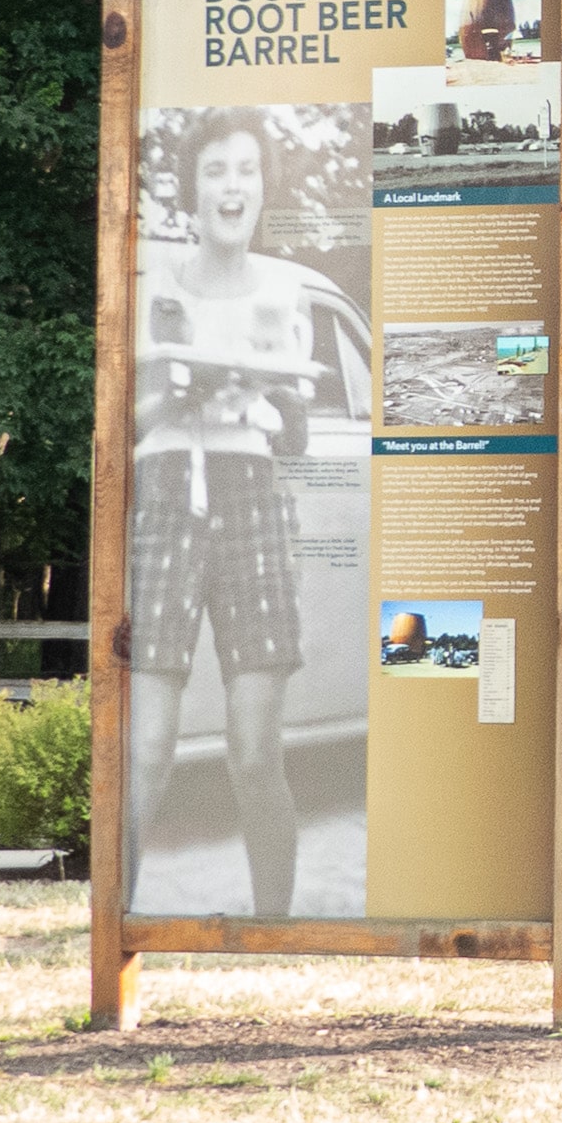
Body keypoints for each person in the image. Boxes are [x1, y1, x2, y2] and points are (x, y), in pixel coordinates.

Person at [128, 109, 318, 916]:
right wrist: (183, 387)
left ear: (262, 187)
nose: (231, 187)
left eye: (245, 170)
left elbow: (297, 433)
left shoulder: (285, 287)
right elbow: (127, 420)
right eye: (215, 171)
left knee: (253, 750)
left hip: (252, 499)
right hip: (167, 493)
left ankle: (274, 927)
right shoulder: (154, 285)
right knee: (146, 746)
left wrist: (268, 390)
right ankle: (120, 919)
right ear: (193, 190)